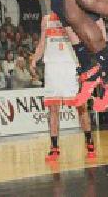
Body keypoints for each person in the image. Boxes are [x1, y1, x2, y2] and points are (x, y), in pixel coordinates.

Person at [30, 14, 96, 160]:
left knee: (81, 106)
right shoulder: (46, 19)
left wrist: (84, 65)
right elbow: (42, 43)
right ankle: (54, 147)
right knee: (53, 108)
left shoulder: (72, 16)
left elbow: (83, 42)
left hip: (71, 65)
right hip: (52, 67)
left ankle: (89, 141)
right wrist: (34, 59)